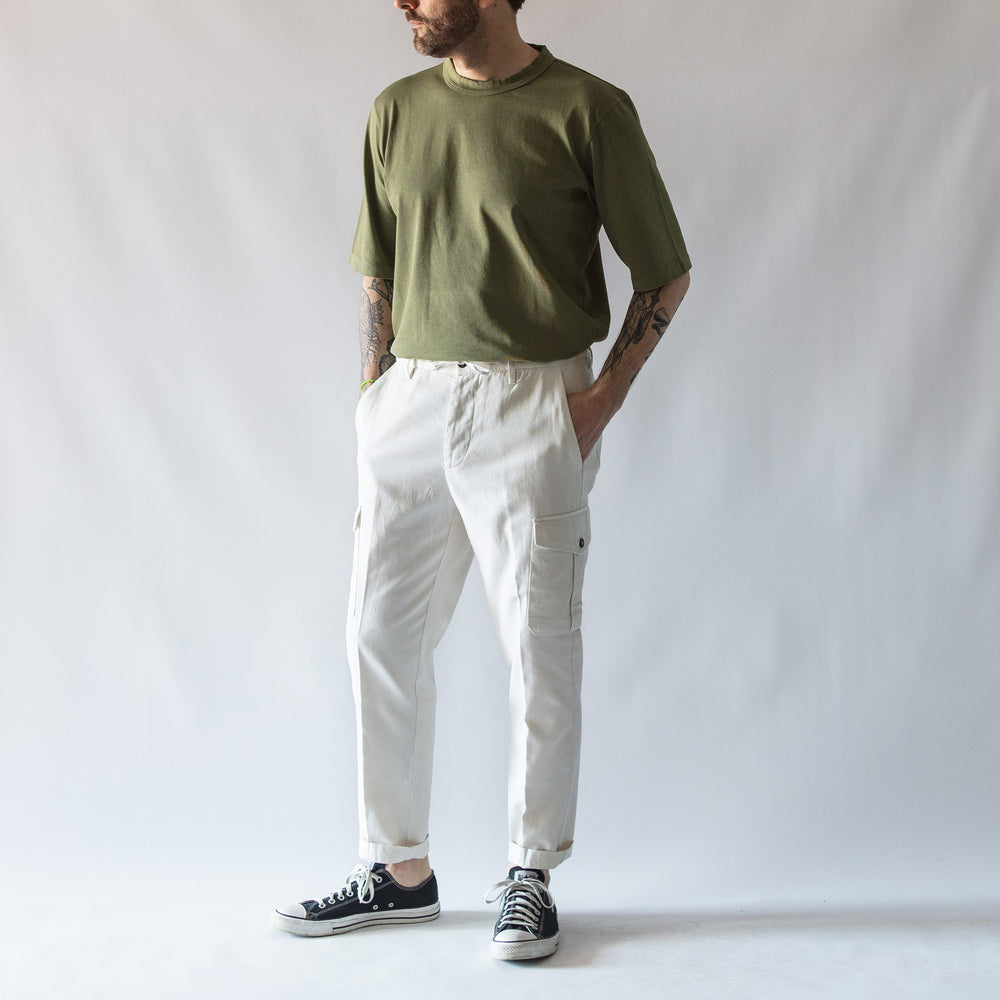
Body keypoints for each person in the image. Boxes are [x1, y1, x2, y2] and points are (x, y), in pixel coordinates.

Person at [272, 0, 691, 961]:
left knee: (539, 645)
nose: (403, 4)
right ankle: (398, 870)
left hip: (531, 400)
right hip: (411, 401)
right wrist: (374, 398)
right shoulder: (396, 109)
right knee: (377, 633)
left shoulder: (586, 108)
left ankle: (530, 876)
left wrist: (597, 403)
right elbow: (377, 270)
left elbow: (664, 272)